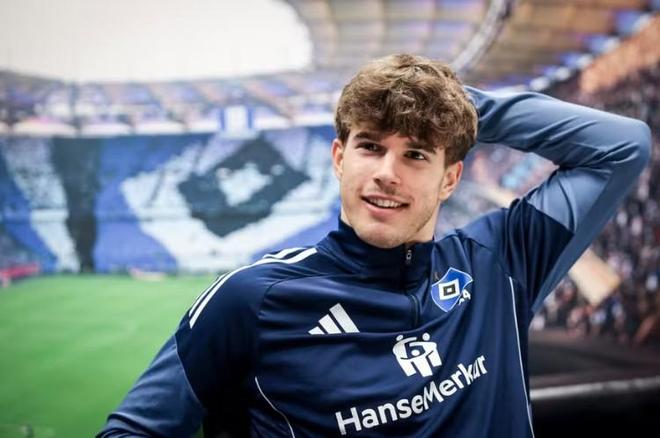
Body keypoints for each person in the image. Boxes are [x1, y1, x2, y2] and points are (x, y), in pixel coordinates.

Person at [98, 54, 650, 437]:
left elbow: (622, 145)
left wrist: (451, 107)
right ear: (339, 158)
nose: (387, 172)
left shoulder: (500, 260)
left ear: (450, 178)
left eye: (416, 154)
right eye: (370, 146)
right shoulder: (251, 300)